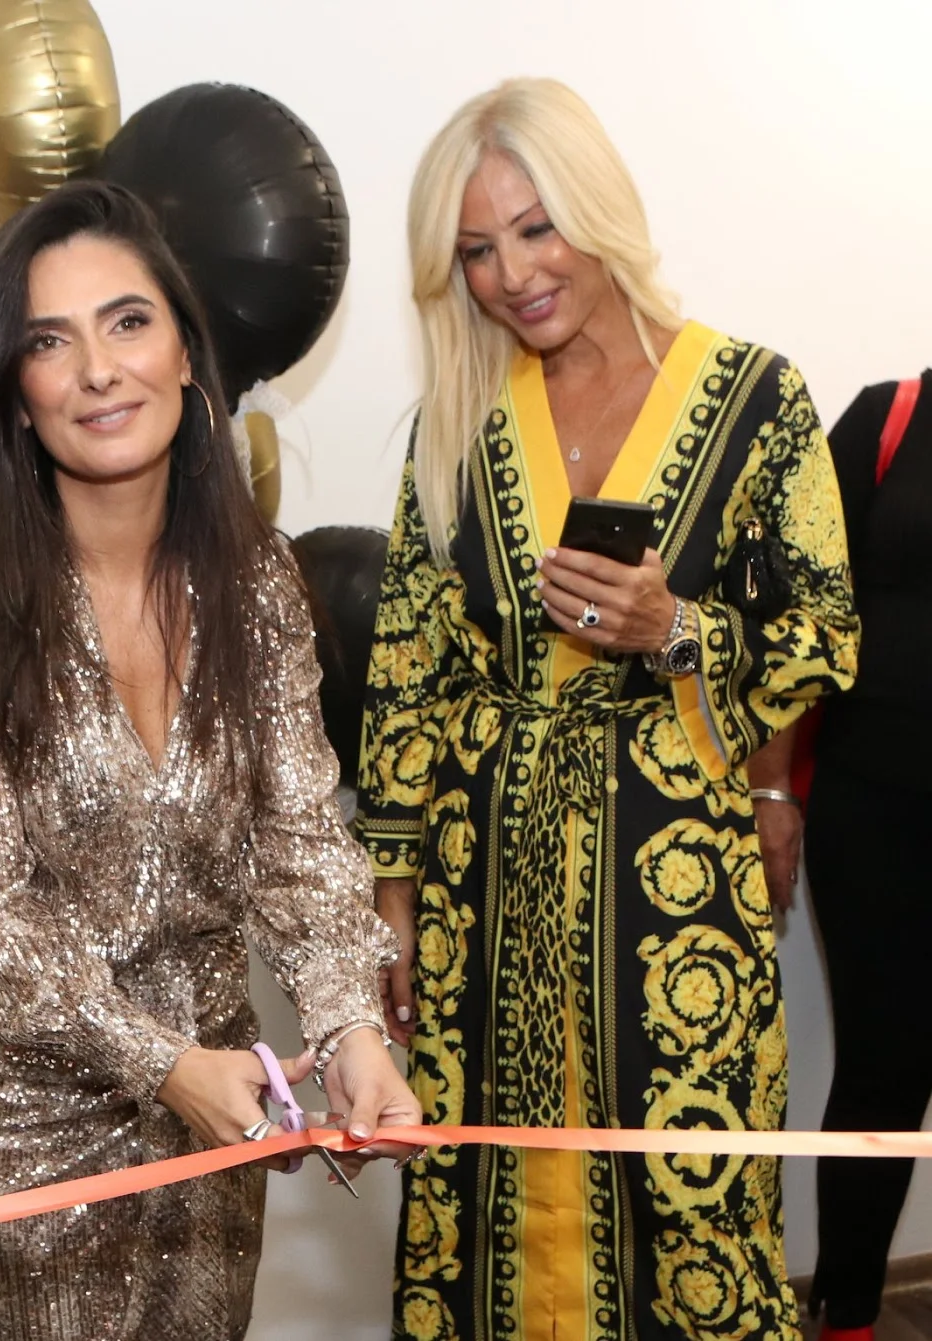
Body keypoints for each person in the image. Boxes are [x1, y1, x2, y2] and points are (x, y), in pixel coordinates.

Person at [357, 78, 858, 1341]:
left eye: (536, 228)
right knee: (479, 1191)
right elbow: (409, 665)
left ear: (599, 209)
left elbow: (826, 632)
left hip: (673, 875)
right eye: (477, 250)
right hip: (482, 878)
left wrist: (674, 629)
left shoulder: (758, 399)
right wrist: (393, 898)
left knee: (694, 1201)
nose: (512, 274)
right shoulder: (454, 426)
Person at [0, 178, 421, 1340]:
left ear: (185, 354)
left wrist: (351, 1032)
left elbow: (297, 839)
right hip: (23, 1143)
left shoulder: (257, 583)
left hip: (212, 1129)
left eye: (127, 321)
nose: (97, 369)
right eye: (49, 341)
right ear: (14, 391)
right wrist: (167, 1065)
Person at [750, 370, 930, 1341]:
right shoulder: (888, 418)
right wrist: (772, 787)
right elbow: (796, 621)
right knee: (881, 1072)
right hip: (875, 809)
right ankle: (850, 1317)